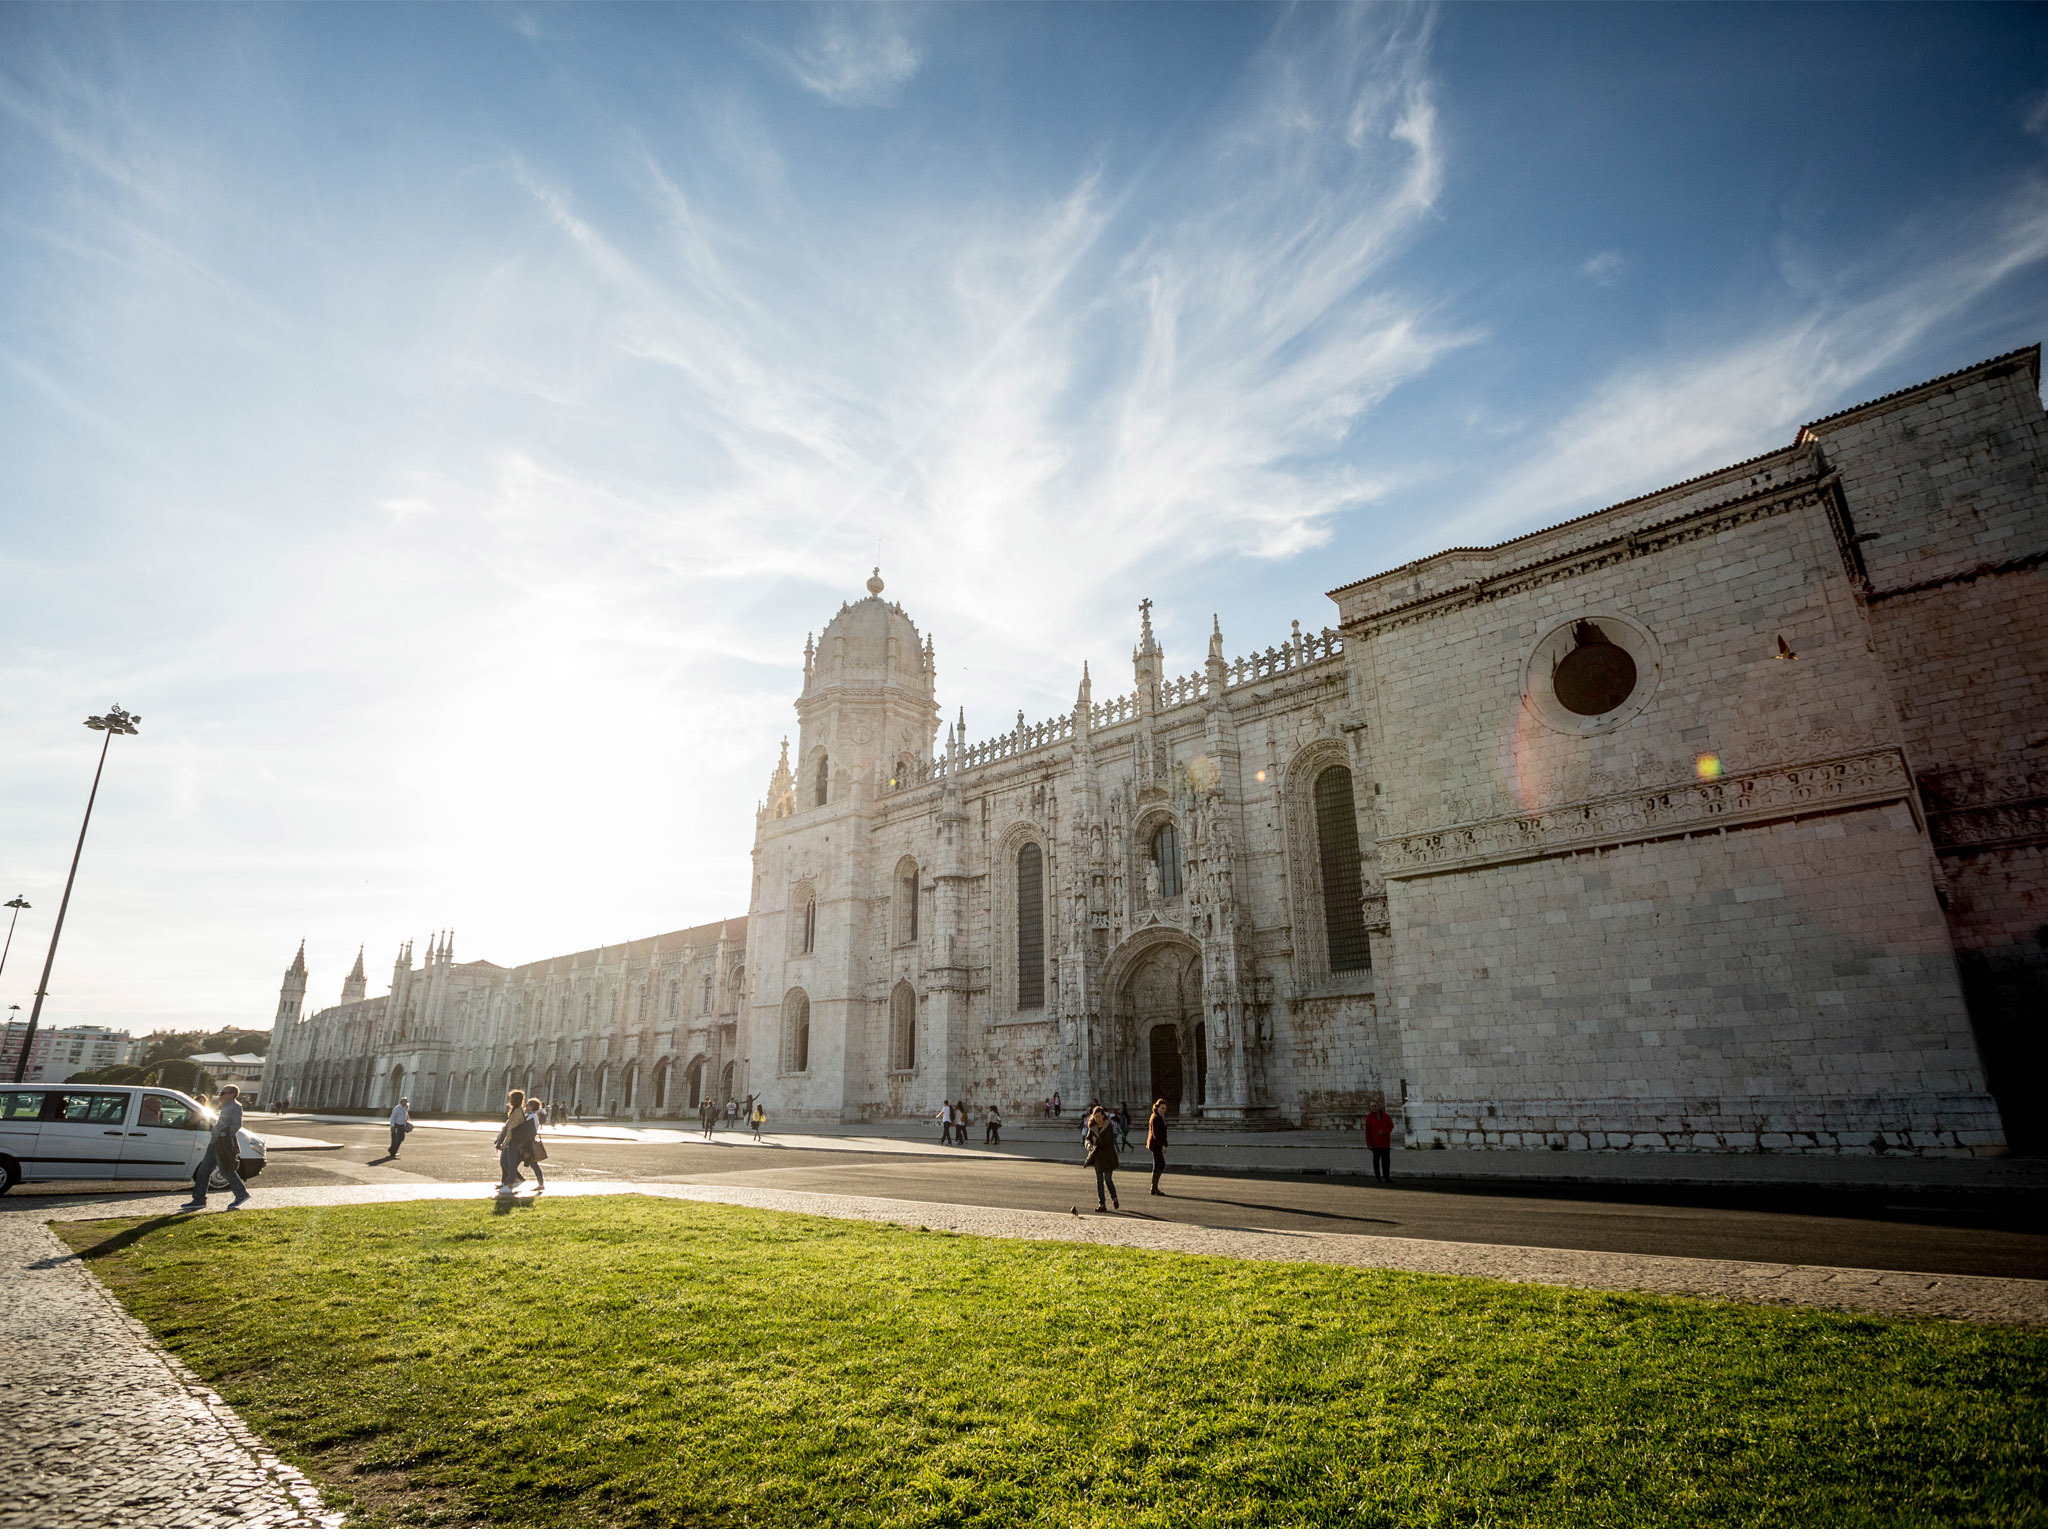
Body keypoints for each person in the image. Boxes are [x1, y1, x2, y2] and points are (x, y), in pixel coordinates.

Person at [181, 1085, 249, 1210]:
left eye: (223, 1093)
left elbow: (236, 1125)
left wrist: (224, 1135)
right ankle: (199, 1199)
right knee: (203, 1171)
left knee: (225, 1170)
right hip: (215, 1143)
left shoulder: (235, 1106)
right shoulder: (227, 1106)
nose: (220, 1095)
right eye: (220, 1093)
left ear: (232, 1094)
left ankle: (241, 1194)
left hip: (223, 1143)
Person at [494, 1090, 536, 1194]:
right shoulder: (516, 1110)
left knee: (511, 1164)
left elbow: (511, 1129)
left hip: (514, 1141)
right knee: (504, 1162)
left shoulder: (517, 1111)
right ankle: (513, 1181)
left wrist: (505, 1142)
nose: (510, 1100)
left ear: (515, 1099)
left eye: (511, 1098)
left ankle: (510, 1185)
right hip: (512, 1140)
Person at [1082, 1105, 1119, 1212]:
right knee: (1099, 1181)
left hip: (1109, 1156)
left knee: (1108, 1179)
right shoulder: (1092, 1126)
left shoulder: (1109, 1126)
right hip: (1098, 1156)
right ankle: (1102, 1204)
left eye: (1099, 1116)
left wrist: (1096, 1141)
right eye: (1095, 1116)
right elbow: (1088, 1138)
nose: (1097, 1118)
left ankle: (1114, 1197)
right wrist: (1088, 1144)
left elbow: (1107, 1141)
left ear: (1103, 1116)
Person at [1364, 1094, 1395, 1184]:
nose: (1374, 1108)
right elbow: (1367, 1132)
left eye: (1375, 1106)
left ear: (1378, 1106)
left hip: (1385, 1143)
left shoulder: (1385, 1116)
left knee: (1386, 1162)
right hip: (1375, 1144)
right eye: (1372, 1106)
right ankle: (1378, 1178)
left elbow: (1391, 1125)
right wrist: (1369, 1144)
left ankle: (1387, 1178)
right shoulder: (1369, 1118)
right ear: (1370, 1108)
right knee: (1376, 1162)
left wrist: (1384, 1131)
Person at [519, 1096, 548, 1192]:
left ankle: (540, 1184)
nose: (525, 1106)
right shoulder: (531, 1116)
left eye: (527, 1105)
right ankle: (510, 1180)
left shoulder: (531, 1117)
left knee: (533, 1164)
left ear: (531, 1107)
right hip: (526, 1143)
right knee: (530, 1163)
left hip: (528, 1144)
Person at [1147, 1098, 1169, 1195]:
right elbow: (1156, 1135)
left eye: (1164, 1108)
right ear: (1157, 1107)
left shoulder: (1160, 1116)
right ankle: (1153, 1187)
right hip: (1156, 1145)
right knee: (1158, 1164)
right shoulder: (1155, 1117)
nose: (1163, 1110)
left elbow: (1163, 1130)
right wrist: (1163, 1146)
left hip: (1157, 1144)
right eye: (1161, 1108)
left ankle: (1154, 1187)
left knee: (1160, 1164)